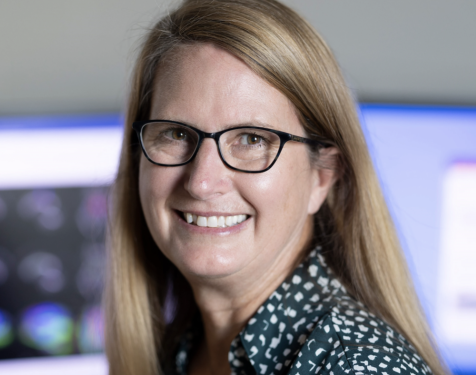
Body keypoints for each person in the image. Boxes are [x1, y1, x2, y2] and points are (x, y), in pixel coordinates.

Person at [104, 0, 447, 374]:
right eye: (175, 133)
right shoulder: (180, 350)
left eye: (252, 139)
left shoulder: (355, 366)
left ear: (323, 176)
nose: (202, 182)